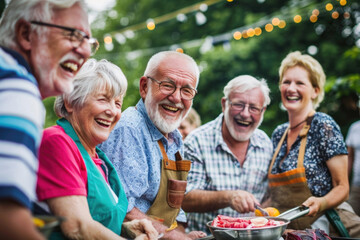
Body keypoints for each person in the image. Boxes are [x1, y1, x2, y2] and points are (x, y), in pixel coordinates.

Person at [0, 0, 96, 239]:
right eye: (74, 35)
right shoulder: (16, 87)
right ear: (26, 34)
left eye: (89, 42)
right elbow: (7, 220)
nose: (84, 51)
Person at [36, 59, 158, 240]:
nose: (112, 111)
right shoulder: (56, 142)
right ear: (70, 102)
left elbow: (94, 218)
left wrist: (125, 228)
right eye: (103, 99)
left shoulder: (98, 157)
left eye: (117, 103)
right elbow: (77, 227)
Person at [99, 51, 207, 240]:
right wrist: (173, 237)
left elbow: (175, 208)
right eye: (167, 85)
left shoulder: (175, 136)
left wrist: (184, 235)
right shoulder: (129, 128)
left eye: (187, 91)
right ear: (144, 87)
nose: (176, 97)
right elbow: (121, 206)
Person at [267, 51, 360, 236]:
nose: (291, 88)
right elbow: (275, 197)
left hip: (328, 226)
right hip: (289, 232)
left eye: (300, 83)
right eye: (286, 82)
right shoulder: (278, 133)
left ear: (315, 90)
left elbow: (342, 187)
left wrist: (321, 202)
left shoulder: (323, 125)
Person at [181, 75, 273, 234]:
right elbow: (185, 198)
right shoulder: (196, 141)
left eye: (254, 108)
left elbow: (269, 197)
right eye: (239, 105)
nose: (245, 114)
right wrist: (229, 197)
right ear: (224, 104)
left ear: (262, 111)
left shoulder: (265, 143)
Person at [346, 118, 360, 216]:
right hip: (356, 185)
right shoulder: (355, 127)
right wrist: (344, 182)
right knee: (351, 216)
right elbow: (349, 157)